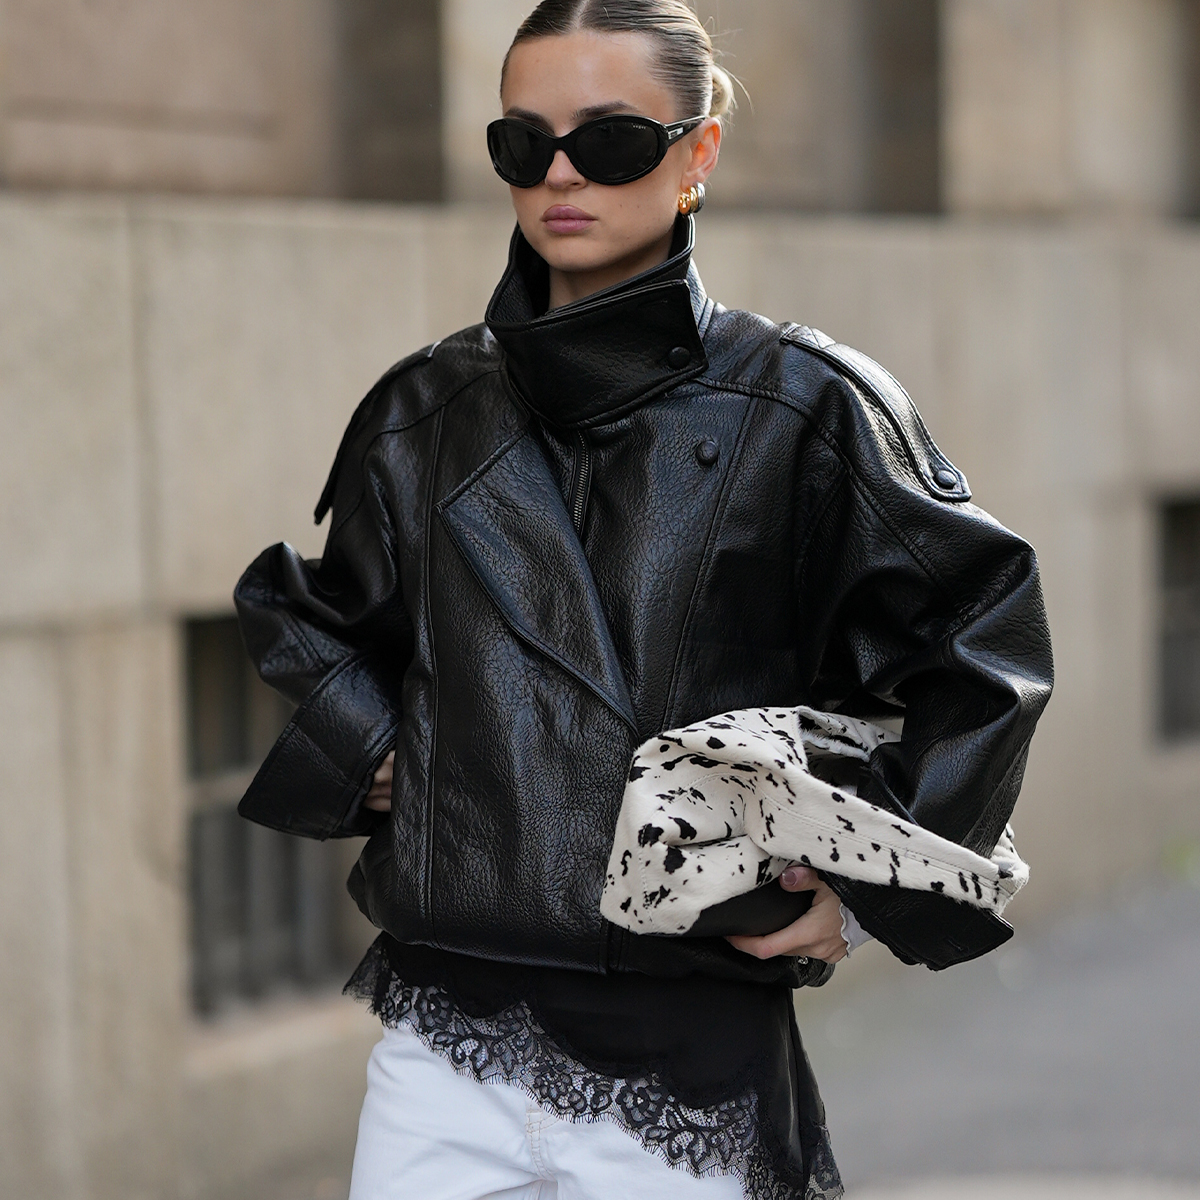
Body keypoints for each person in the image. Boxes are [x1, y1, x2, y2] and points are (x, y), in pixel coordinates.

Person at [234, 2, 1053, 1197]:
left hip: (690, 1049)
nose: (560, 175)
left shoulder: (805, 407)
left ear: (698, 153)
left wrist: (866, 880)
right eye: (523, 144)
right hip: (445, 1037)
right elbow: (322, 623)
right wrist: (375, 746)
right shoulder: (425, 409)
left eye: (610, 142)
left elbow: (984, 646)